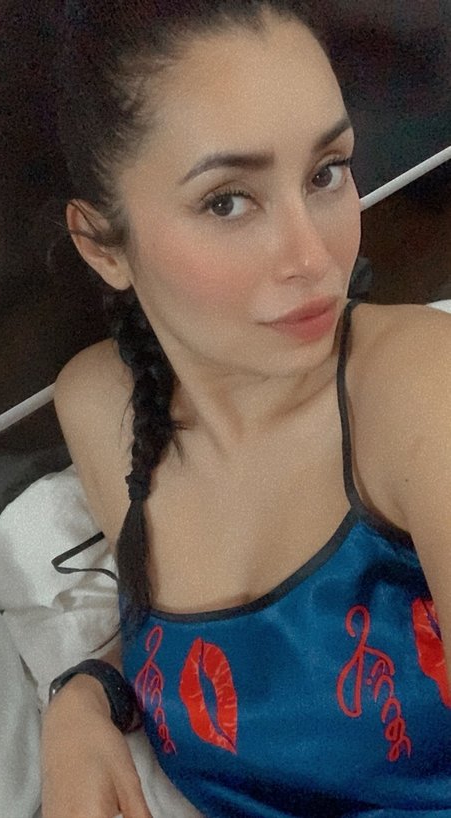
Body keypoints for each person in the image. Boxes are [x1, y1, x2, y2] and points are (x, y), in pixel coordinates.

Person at [41, 1, 451, 816]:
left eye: (326, 172)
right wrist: (84, 698)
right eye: (227, 200)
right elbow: (206, 663)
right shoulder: (100, 405)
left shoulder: (414, 391)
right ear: (102, 245)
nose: (314, 256)